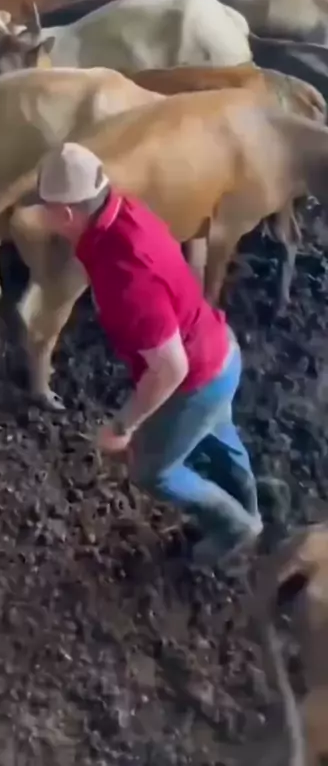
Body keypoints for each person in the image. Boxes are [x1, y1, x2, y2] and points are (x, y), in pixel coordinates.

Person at [36, 142, 263, 565]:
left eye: (44, 208)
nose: (41, 215)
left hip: (195, 380)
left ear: (65, 214)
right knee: (217, 433)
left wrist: (122, 425)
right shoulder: (126, 210)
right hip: (220, 348)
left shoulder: (124, 275)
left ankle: (235, 528)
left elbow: (170, 368)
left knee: (152, 471)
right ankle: (250, 505)